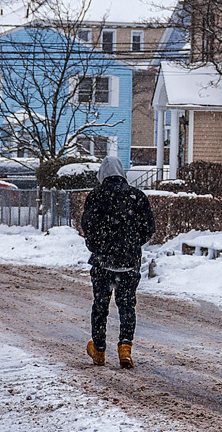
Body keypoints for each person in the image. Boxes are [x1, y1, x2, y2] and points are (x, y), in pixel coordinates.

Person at [81, 155, 156, 368]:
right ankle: (125, 347)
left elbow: (88, 225)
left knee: (100, 305)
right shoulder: (136, 196)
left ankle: (99, 349)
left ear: (102, 174)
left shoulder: (96, 197)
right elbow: (148, 228)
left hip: (103, 261)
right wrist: (133, 245)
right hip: (129, 262)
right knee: (127, 305)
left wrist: (97, 246)